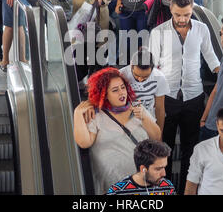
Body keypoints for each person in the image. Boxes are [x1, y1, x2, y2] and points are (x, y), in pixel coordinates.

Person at [149, 0, 220, 195]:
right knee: (165, 149)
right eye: (178, 14)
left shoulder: (202, 29)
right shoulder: (158, 33)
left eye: (187, 15)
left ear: (191, 10)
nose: (182, 19)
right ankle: (166, 191)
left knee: (191, 149)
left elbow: (211, 57)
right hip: (167, 98)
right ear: (171, 9)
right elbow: (152, 67)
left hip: (194, 98)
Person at [73, 67, 161, 195]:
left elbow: (157, 137)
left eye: (123, 87)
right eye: (115, 90)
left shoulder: (137, 107)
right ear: (104, 94)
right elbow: (84, 143)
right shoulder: (96, 115)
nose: (121, 93)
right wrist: (77, 114)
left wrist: (144, 118)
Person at [120, 48, 170, 131]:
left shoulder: (159, 77)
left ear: (152, 68)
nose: (140, 79)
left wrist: (159, 132)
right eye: (136, 75)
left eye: (145, 77)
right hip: (126, 120)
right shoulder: (121, 74)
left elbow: (160, 108)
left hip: (149, 118)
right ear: (131, 65)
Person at [107, 139, 176, 195]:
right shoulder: (117, 191)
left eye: (164, 167)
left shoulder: (167, 187)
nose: (164, 174)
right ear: (143, 169)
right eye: (158, 169)